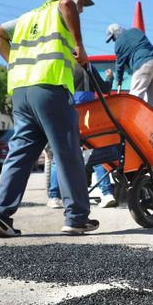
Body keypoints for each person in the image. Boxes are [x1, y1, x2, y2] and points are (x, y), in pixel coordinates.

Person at [0, 0, 99, 237]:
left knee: (20, 154)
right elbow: (68, 4)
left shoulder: (26, 18)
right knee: (68, 152)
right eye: (83, 6)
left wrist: (15, 63)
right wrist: (80, 46)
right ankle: (77, 217)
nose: (81, 11)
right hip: (50, 88)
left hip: (22, 92)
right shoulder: (64, 6)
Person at [47, 64, 117, 209]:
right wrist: (110, 77)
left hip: (67, 113)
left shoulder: (61, 64)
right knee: (97, 152)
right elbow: (104, 89)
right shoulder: (88, 66)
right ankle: (106, 193)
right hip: (88, 116)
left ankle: (55, 196)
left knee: (59, 155)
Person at [105, 23, 153, 107]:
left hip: (144, 64)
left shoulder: (119, 43)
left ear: (115, 33)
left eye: (113, 38)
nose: (114, 41)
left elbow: (119, 65)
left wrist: (119, 80)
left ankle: (130, 119)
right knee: (151, 103)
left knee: (135, 97)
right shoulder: (135, 31)